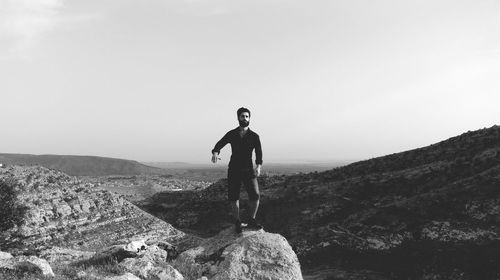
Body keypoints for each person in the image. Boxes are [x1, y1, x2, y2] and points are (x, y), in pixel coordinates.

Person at [211, 107, 263, 234]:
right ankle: (237, 222)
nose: (244, 118)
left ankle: (252, 219)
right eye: (242, 116)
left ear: (249, 118)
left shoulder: (254, 136)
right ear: (238, 118)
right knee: (234, 197)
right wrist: (215, 153)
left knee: (255, 196)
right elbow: (220, 143)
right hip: (234, 169)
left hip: (249, 170)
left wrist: (259, 166)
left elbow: (259, 152)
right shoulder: (232, 134)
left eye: (246, 116)